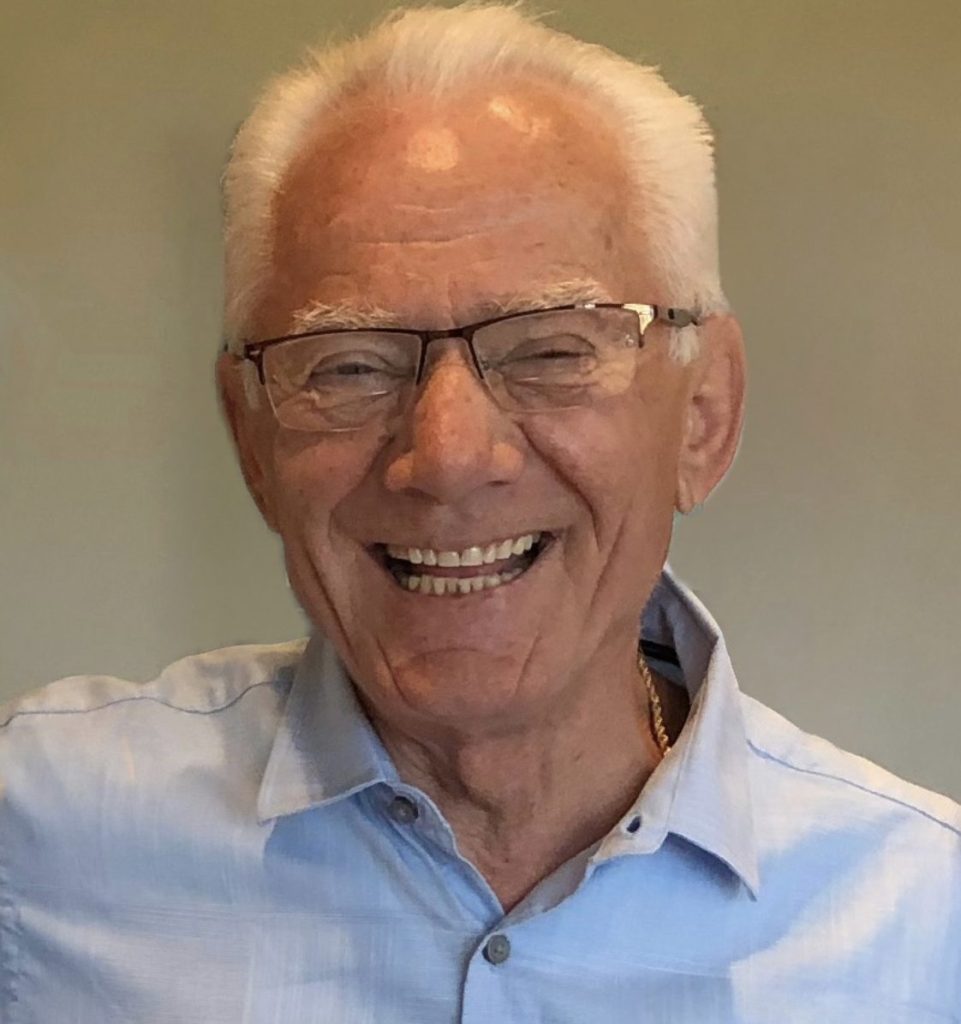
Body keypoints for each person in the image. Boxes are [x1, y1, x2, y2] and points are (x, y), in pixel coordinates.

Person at [1, 5, 958, 1020]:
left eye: (550, 349)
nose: (449, 459)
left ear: (703, 414)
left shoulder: (925, 927)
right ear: (252, 438)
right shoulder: (40, 839)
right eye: (349, 366)